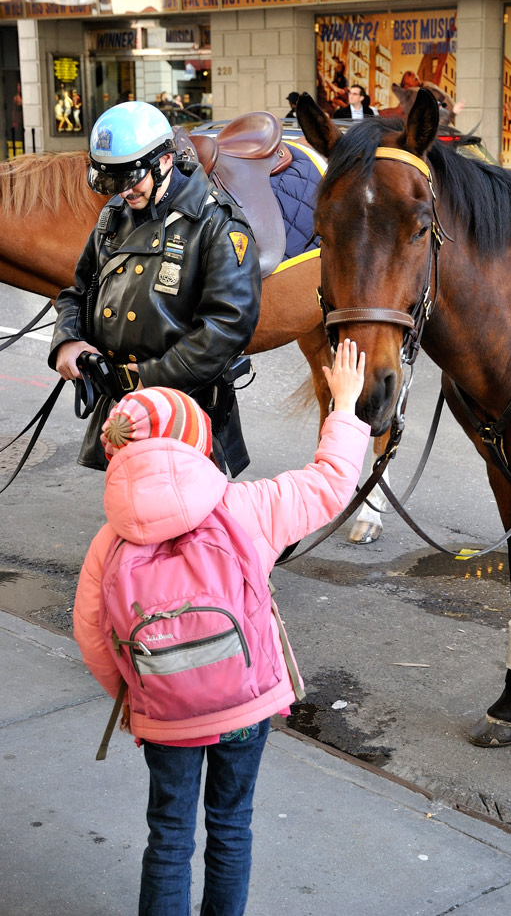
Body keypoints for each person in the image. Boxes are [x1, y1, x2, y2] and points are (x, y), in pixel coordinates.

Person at [73, 343, 371, 916]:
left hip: (165, 716)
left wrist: (141, 695)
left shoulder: (109, 543)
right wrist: (345, 406)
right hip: (245, 705)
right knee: (231, 827)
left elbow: (92, 635)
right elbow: (331, 483)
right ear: (196, 442)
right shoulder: (244, 508)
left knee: (168, 837)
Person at [48, 100, 261, 476]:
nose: (122, 193)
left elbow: (227, 327)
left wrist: (147, 379)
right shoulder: (114, 215)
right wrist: (67, 339)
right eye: (111, 181)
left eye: (130, 180)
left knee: (184, 523)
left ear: (164, 161)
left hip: (184, 411)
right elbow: (79, 290)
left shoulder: (215, 223)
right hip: (121, 404)